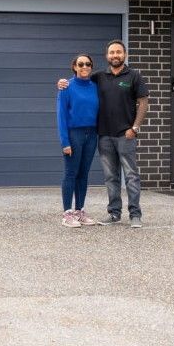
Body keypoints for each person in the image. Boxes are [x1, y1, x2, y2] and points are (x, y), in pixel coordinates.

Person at [58, 40, 149, 228]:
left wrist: (135, 128)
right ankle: (112, 213)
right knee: (109, 177)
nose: (115, 55)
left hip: (124, 135)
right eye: (111, 52)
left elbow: (143, 102)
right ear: (107, 56)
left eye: (118, 52)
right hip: (103, 135)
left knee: (130, 175)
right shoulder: (98, 77)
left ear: (124, 54)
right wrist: (62, 82)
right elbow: (75, 86)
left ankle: (135, 215)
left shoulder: (133, 76)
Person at [56, 53, 100, 228]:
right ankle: (67, 213)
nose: (84, 67)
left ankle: (79, 210)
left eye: (88, 64)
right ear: (74, 66)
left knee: (83, 173)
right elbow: (61, 116)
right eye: (80, 64)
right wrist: (65, 142)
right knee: (70, 173)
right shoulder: (66, 87)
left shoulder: (95, 86)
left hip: (92, 134)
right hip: (74, 134)